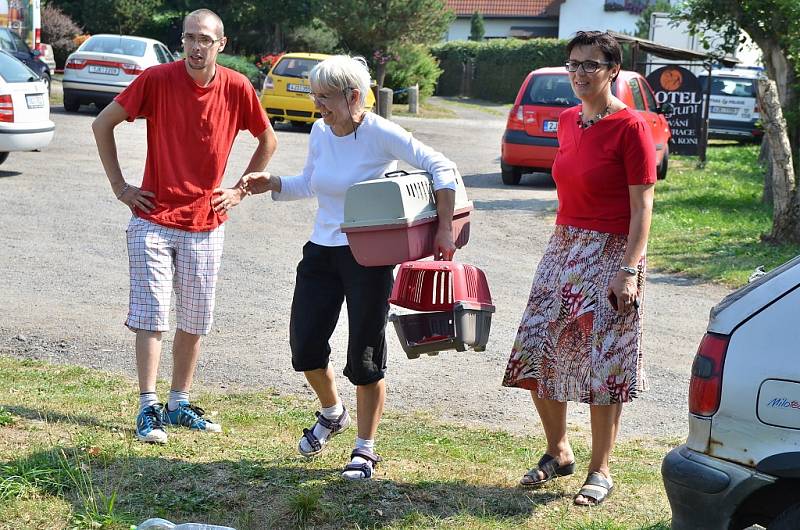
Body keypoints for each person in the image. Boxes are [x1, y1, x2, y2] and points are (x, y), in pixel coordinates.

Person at [241, 55, 459, 480]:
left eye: (324, 98)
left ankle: (365, 448)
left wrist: (445, 230)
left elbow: (441, 167)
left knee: (364, 353)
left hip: (369, 254)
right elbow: (312, 182)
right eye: (314, 96)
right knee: (304, 348)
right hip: (321, 250)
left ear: (353, 95)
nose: (317, 105)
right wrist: (276, 184)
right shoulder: (321, 131)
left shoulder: (379, 132)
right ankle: (332, 412)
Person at [92, 8, 277, 444]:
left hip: (207, 221)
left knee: (195, 319)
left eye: (206, 40)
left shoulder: (236, 87)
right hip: (152, 220)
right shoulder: (156, 80)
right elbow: (103, 124)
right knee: (152, 315)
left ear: (221, 44)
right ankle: (148, 407)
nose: (196, 47)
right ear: (182, 40)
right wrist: (121, 187)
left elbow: (267, 139)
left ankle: (178, 403)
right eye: (190, 37)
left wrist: (239, 190)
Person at [501, 31, 656, 506]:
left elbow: (643, 205)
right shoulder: (569, 121)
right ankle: (558, 451)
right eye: (574, 64)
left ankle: (601, 469)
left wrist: (628, 269)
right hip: (564, 246)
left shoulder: (632, 127)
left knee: (603, 362)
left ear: (613, 70)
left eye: (591, 65)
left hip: (613, 254)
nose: (580, 74)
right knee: (537, 348)